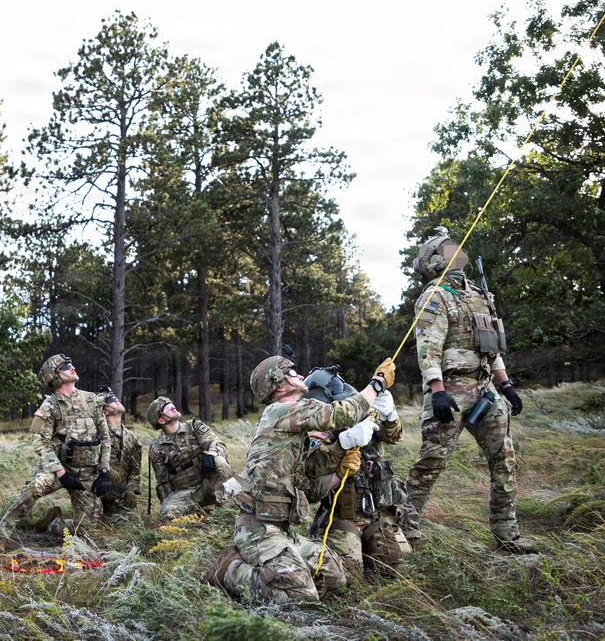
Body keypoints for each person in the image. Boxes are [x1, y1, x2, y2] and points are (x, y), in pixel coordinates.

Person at [208, 354, 395, 603]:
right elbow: (343, 413)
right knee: (300, 598)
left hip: (283, 529)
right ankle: (230, 570)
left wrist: (341, 465)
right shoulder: (280, 410)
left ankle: (284, 567)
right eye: (292, 372)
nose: (299, 375)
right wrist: (377, 383)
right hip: (259, 529)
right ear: (279, 385)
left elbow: (311, 486)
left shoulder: (291, 432)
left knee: (335, 578)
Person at [398, 229, 533, 553]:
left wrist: (506, 385)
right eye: (447, 248)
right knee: (431, 463)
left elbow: (491, 346)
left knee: (505, 460)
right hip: (450, 391)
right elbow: (428, 347)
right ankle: (402, 535)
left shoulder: (478, 294)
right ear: (433, 260)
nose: (455, 251)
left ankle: (507, 534)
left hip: (486, 390)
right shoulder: (435, 295)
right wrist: (437, 389)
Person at [0, 354, 112, 553]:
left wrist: (104, 470)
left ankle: (54, 524)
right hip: (58, 467)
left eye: (72, 364)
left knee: (87, 530)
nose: (73, 368)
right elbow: (40, 441)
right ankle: (0, 535)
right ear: (54, 377)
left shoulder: (91, 400)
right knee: (34, 489)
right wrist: (61, 474)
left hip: (87, 472)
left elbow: (105, 438)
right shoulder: (50, 406)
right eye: (66, 366)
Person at [302, 366, 412, 575]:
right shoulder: (318, 429)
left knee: (399, 566)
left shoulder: (365, 415)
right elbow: (310, 467)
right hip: (344, 516)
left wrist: (389, 415)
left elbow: (395, 437)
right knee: (347, 574)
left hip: (378, 511)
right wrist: (343, 443)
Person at [147, 396, 231, 520]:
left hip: (208, 484)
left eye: (171, 404)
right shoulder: (157, 447)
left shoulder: (194, 426)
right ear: (161, 420)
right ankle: (194, 513)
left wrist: (211, 453)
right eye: (166, 408)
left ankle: (224, 506)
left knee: (219, 461)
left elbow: (218, 444)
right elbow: (162, 482)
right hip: (185, 493)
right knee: (168, 516)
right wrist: (167, 504)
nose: (172, 407)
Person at [98, 387, 143, 520]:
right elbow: (87, 460)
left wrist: (131, 490)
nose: (116, 400)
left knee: (131, 522)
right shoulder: (97, 434)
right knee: (87, 524)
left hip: (119, 495)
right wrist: (106, 468)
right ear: (104, 411)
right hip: (97, 491)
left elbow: (135, 470)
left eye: (116, 398)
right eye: (111, 400)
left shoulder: (131, 438)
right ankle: (56, 523)